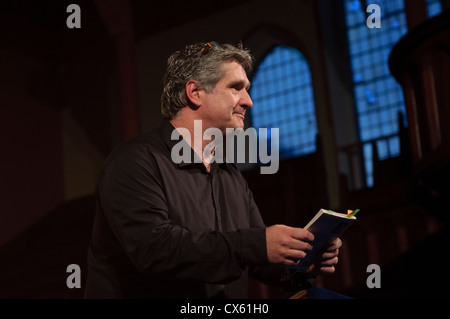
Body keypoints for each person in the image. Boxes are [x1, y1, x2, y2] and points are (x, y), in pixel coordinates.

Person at [84, 41, 342, 298]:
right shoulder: (134, 162)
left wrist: (301, 259)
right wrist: (257, 244)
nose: (248, 101)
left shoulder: (229, 174)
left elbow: (255, 259)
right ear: (195, 92)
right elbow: (156, 250)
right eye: (235, 88)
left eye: (247, 89)